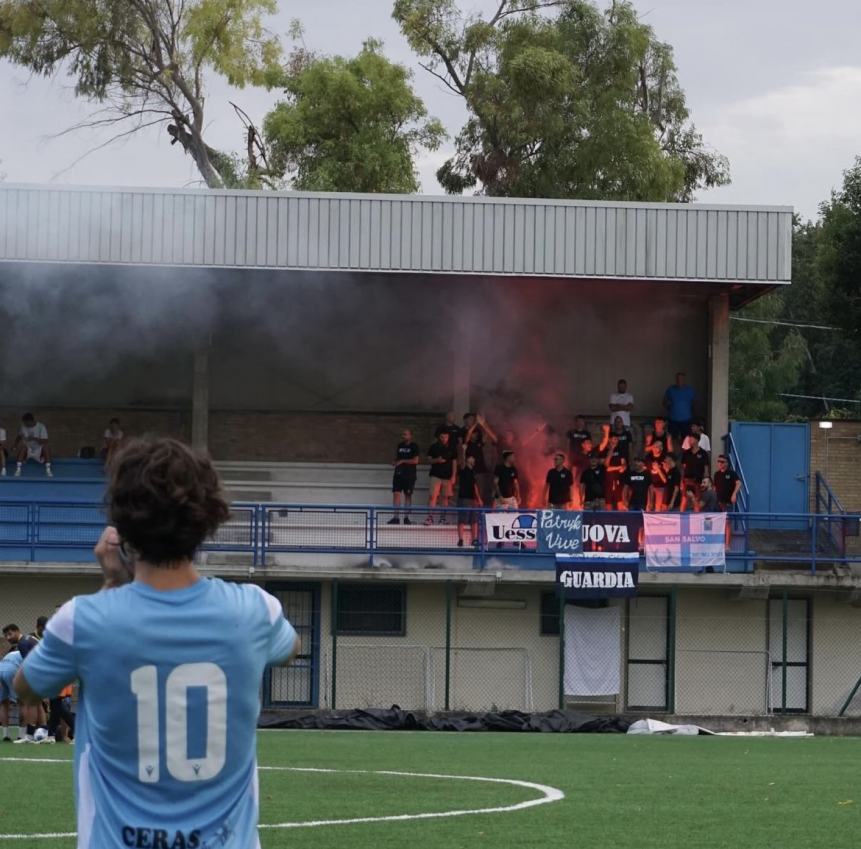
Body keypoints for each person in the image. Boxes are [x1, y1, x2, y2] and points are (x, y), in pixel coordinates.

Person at [15, 437, 300, 848]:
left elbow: (26, 687)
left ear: (121, 522)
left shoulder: (85, 620)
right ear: (209, 517)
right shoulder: (256, 611)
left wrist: (112, 583)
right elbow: (288, 650)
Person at [426, 431, 457, 524]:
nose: (444, 439)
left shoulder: (452, 448)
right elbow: (429, 460)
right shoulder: (434, 446)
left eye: (446, 437)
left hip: (447, 477)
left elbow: (454, 462)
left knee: (445, 497)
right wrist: (437, 460)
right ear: (439, 437)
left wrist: (454, 475)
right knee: (432, 496)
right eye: (442, 437)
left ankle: (442, 518)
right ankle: (430, 518)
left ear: (448, 437)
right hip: (435, 475)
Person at [389, 429, 419, 524]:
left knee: (408, 495)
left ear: (410, 436)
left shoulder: (414, 446)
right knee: (396, 493)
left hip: (409, 474)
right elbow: (397, 458)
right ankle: (396, 517)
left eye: (406, 434)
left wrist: (403, 461)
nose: (404, 436)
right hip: (398, 473)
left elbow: (415, 461)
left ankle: (406, 517)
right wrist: (395, 462)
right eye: (403, 434)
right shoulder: (400, 445)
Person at [714, 454, 742, 546]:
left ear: (727, 463)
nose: (720, 463)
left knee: (727, 523)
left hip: (728, 503)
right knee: (719, 523)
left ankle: (727, 545)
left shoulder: (732, 473)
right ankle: (718, 544)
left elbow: (739, 483)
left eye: (722, 462)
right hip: (719, 502)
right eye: (718, 461)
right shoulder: (716, 474)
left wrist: (734, 494)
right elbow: (715, 487)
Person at [455, 454, 483, 547]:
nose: (473, 459)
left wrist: (478, 499)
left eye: (473, 459)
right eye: (471, 458)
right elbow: (462, 462)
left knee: (474, 520)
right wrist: (463, 450)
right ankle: (460, 539)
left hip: (473, 499)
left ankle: (474, 539)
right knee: (462, 519)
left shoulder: (473, 472)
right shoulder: (463, 469)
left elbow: (475, 487)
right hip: (464, 498)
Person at [15, 412, 52, 478]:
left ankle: (48, 470)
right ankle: (18, 469)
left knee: (46, 447)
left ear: (31, 421)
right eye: (24, 423)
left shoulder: (41, 426)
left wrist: (34, 438)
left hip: (39, 450)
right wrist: (15, 445)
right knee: (23, 446)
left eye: (26, 423)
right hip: (27, 450)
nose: (25, 424)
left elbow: (45, 441)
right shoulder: (23, 427)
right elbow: (19, 437)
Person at [663, 372, 696, 442]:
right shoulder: (670, 390)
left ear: (684, 379)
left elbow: (694, 403)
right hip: (673, 420)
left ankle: (685, 453)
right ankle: (673, 453)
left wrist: (693, 416)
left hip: (686, 420)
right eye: (678, 379)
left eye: (681, 379)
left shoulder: (690, 390)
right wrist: (669, 407)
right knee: (672, 440)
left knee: (686, 440)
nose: (679, 380)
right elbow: (664, 402)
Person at [680, 436, 710, 511]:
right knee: (684, 499)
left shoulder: (703, 453)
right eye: (689, 439)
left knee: (697, 500)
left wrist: (706, 480)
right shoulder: (686, 453)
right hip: (687, 480)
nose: (690, 441)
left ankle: (697, 518)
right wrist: (681, 480)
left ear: (697, 440)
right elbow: (683, 467)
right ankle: (680, 517)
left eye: (691, 439)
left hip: (698, 480)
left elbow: (706, 468)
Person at [0, 649, 22, 742]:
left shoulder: (10, 654)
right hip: (12, 670)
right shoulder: (27, 652)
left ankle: (5, 735)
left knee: (4, 703)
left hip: (0, 669)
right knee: (22, 703)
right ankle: (22, 735)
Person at [603, 435, 628, 511]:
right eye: (614, 439)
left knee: (620, 498)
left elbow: (624, 463)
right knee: (608, 500)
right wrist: (612, 449)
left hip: (618, 478)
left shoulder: (620, 450)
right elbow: (606, 466)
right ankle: (608, 518)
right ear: (609, 440)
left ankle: (621, 519)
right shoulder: (605, 450)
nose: (615, 441)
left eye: (617, 439)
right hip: (608, 479)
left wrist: (623, 467)